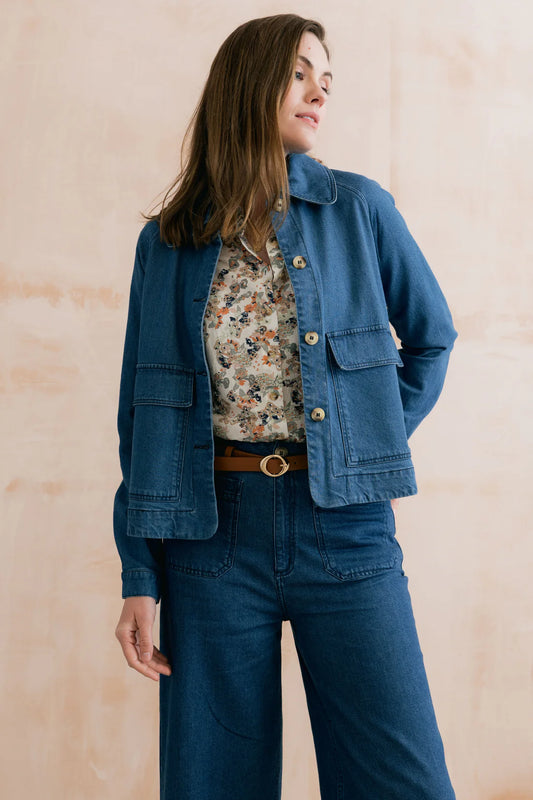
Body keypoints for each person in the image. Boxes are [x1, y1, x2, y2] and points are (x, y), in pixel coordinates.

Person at [113, 13, 458, 800]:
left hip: (346, 528)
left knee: (401, 781)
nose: (317, 94)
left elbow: (431, 340)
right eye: (301, 73)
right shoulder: (167, 242)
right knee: (213, 782)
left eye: (326, 82)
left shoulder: (359, 209)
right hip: (209, 538)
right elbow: (145, 416)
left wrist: (362, 444)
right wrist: (139, 573)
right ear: (249, 83)